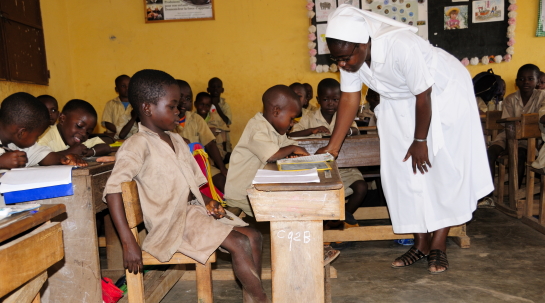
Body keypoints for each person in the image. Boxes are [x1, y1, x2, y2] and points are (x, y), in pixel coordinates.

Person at [317, 5, 493, 274]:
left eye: (345, 58)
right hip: (397, 101)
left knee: (438, 169)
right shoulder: (349, 55)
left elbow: (424, 95)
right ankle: (420, 243)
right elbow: (350, 98)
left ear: (364, 43)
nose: (342, 64)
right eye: (336, 59)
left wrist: (420, 141)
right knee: (401, 172)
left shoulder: (401, 45)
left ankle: (439, 245)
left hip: (442, 95)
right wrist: (332, 147)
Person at [103, 69, 268, 303]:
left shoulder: (177, 140)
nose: (179, 111)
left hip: (193, 214)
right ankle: (262, 300)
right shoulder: (136, 145)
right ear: (148, 108)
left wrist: (208, 201)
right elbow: (113, 190)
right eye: (172, 106)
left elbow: (193, 184)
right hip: (171, 225)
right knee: (240, 242)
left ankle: (252, 299)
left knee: (253, 236)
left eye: (178, 105)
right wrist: (129, 242)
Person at [291, 78, 367, 229]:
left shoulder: (344, 115)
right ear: (318, 100)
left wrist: (346, 131)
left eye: (335, 99)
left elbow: (355, 129)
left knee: (361, 187)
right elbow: (293, 135)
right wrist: (312, 130)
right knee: (321, 194)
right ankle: (333, 220)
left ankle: (340, 217)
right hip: (320, 170)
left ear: (341, 100)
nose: (331, 103)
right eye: (326, 99)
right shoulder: (310, 117)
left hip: (345, 168)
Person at [223, 85, 310, 217]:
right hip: (243, 193)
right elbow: (273, 155)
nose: (292, 124)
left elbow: (287, 143)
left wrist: (295, 150)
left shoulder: (275, 129)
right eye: (291, 119)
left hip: (259, 186)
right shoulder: (257, 129)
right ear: (276, 111)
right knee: (288, 210)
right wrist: (292, 149)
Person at [483, 64, 545, 205]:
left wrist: (511, 148)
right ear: (517, 82)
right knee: (489, 154)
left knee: (519, 154)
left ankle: (515, 194)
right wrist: (507, 147)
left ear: (537, 81)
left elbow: (539, 119)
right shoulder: (511, 99)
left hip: (531, 140)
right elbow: (507, 124)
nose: (526, 82)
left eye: (530, 79)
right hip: (508, 135)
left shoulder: (542, 96)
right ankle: (488, 194)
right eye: (522, 79)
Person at [0, 92, 87, 171]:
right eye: (37, 136)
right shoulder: (17, 141)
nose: (36, 140)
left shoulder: (15, 143)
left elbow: (43, 155)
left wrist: (63, 158)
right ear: (22, 133)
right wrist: (2, 162)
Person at [175, 80, 228, 192]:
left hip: (200, 166)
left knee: (223, 182)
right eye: (180, 97)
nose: (184, 101)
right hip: (176, 169)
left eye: (188, 99)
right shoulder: (165, 120)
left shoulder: (196, 119)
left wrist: (222, 168)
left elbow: (210, 144)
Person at [37, 99, 112, 157]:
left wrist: (87, 152)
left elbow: (105, 147)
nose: (83, 134)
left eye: (88, 132)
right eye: (79, 126)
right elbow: (41, 159)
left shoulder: (78, 141)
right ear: (62, 119)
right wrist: (70, 152)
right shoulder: (44, 136)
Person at [194, 92, 230, 159]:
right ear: (195, 104)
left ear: (210, 106)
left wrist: (226, 152)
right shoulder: (191, 119)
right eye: (202, 104)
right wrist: (208, 132)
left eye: (207, 105)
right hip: (199, 152)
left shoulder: (216, 118)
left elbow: (223, 133)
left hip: (217, 153)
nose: (204, 107)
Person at [102, 74, 139, 139]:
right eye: (123, 86)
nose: (127, 88)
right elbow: (107, 123)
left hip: (133, 137)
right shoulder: (110, 104)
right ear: (116, 89)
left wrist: (126, 133)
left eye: (129, 86)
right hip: (114, 137)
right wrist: (121, 132)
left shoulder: (137, 104)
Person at [207, 77, 233, 153]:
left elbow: (227, 121)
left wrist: (216, 105)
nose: (215, 89)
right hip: (209, 138)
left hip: (223, 139)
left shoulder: (225, 105)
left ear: (222, 90)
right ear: (208, 89)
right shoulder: (205, 105)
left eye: (218, 87)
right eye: (213, 86)